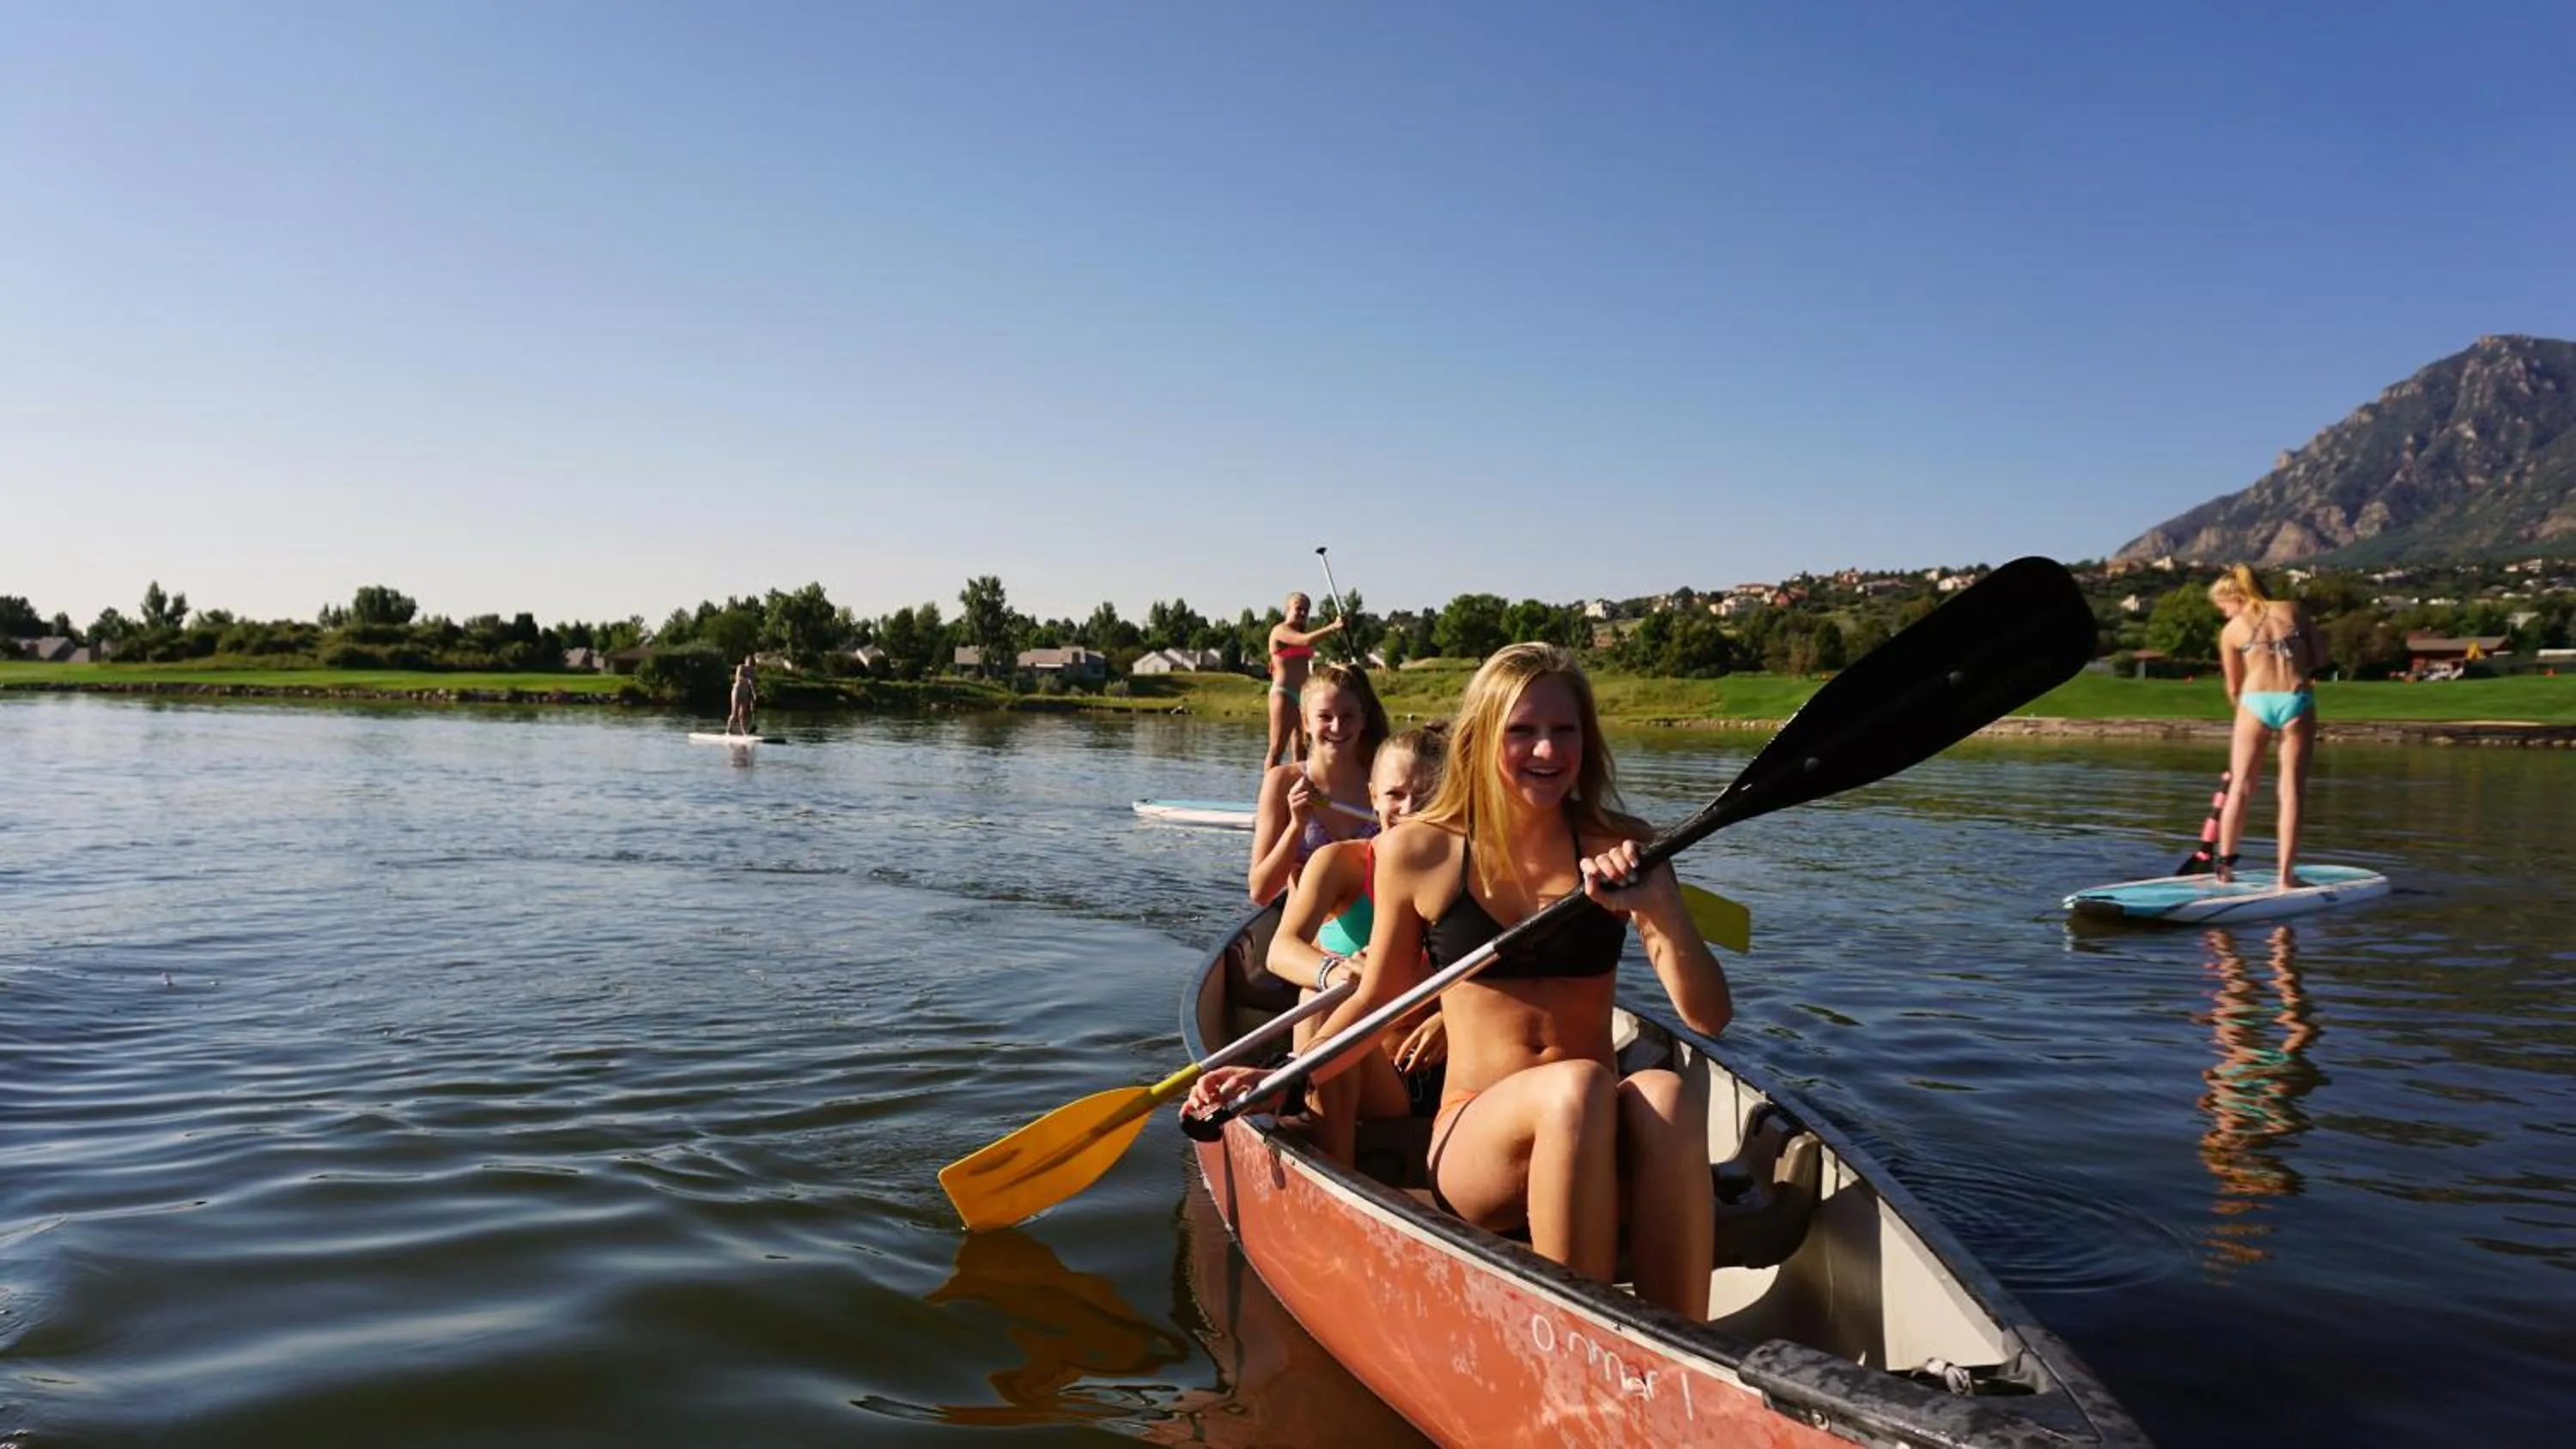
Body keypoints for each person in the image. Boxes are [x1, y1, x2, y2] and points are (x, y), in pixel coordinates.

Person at [1192, 644, 1731, 1319]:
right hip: (1477, 1144)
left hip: (1594, 1136)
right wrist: (1278, 1076)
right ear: (1481, 739)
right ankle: (1579, 1340)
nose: (1546, 750)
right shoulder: (1423, 851)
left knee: (1667, 1094)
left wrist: (1662, 907)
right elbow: (1376, 1000)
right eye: (1522, 731)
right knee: (1580, 1086)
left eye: (1564, 731)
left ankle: (1681, 1346)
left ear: (1586, 741)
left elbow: (1708, 1017)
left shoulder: (1620, 845)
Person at [1266, 721, 1450, 1165]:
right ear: (1372, 796)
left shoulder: (1468, 876)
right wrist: (1338, 970)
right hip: (1358, 1061)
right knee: (1318, 991)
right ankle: (1334, 1166)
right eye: (1396, 795)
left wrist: (1448, 1013)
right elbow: (1280, 950)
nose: (1409, 810)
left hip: (1426, 1075)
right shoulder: (1340, 862)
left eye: (1426, 798)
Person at [2209, 566, 2321, 888]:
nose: (2223, 612)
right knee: (2291, 791)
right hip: (2296, 698)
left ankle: (2225, 871)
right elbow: (2320, 657)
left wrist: (2246, 722)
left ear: (2237, 597)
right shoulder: (2296, 610)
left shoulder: (2232, 630)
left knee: (2240, 788)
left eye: (2222, 606)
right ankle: (2286, 877)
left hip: (2253, 703)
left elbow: (2233, 687)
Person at [1247, 662, 1388, 905]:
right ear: (1306, 722)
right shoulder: (1282, 781)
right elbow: (1260, 892)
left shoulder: (1386, 781)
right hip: (1308, 933)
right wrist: (1296, 826)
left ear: (1363, 719)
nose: (1336, 727)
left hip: (1375, 931)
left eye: (1348, 716)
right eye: (1325, 716)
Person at [1263, 592, 1346, 768]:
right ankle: (1268, 792)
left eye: (1306, 610)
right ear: (1287, 609)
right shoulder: (1280, 630)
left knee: (1301, 750)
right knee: (1277, 748)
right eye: (1298, 608)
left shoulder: (1302, 632)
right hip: (1284, 694)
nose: (1302, 613)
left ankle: (1299, 790)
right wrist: (1333, 627)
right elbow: (1304, 640)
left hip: (1303, 698)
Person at [726, 656, 758, 737]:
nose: (750, 663)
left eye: (752, 662)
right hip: (737, 690)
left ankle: (744, 732)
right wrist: (747, 680)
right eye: (749, 661)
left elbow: (753, 685)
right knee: (734, 713)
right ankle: (729, 730)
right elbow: (738, 677)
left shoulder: (753, 671)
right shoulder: (741, 667)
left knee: (743, 714)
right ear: (746, 661)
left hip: (746, 692)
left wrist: (753, 697)